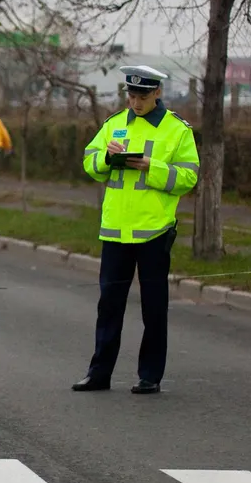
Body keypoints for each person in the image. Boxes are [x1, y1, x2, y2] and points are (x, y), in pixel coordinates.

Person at [71, 65, 199, 395]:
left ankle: (150, 376)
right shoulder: (114, 124)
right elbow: (89, 160)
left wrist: (150, 167)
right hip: (115, 231)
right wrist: (105, 158)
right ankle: (99, 374)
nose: (135, 102)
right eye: (131, 96)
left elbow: (188, 177)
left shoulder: (177, 130)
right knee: (109, 306)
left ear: (157, 93)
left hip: (154, 231)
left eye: (142, 96)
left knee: (153, 308)